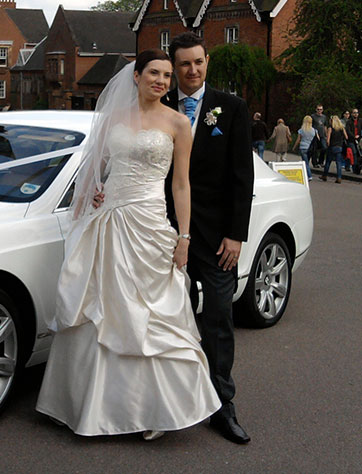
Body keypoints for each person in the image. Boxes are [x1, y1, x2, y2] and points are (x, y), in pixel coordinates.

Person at [36, 49, 221, 440]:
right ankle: (81, 403)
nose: (162, 80)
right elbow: (94, 168)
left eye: (168, 76)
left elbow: (181, 184)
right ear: (135, 77)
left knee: (150, 315)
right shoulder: (112, 119)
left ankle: (155, 409)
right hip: (108, 223)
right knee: (99, 309)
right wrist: (96, 191)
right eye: (154, 72)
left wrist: (184, 236)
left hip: (150, 225)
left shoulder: (178, 123)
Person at [162, 32, 254, 444]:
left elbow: (241, 176)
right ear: (174, 66)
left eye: (198, 62)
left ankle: (222, 404)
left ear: (207, 61)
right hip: (163, 234)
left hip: (218, 239)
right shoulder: (156, 105)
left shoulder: (231, 109)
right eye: (184, 64)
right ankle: (166, 399)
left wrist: (235, 235)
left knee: (218, 318)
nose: (192, 70)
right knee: (163, 320)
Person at [321, 115, 348, 183]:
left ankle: (325, 175)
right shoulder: (342, 128)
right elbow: (346, 137)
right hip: (339, 146)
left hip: (332, 146)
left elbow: (328, 139)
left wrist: (328, 145)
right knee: (338, 163)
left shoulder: (330, 128)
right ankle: (339, 177)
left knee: (328, 162)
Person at [293, 115, 317, 181]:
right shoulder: (314, 131)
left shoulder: (301, 130)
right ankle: (306, 174)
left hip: (303, 147)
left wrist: (294, 147)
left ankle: (309, 175)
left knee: (305, 162)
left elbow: (298, 140)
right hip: (310, 148)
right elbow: (317, 139)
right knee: (307, 162)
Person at [345, 109, 361, 174]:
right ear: (352, 114)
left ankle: (357, 167)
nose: (355, 114)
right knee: (353, 152)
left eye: (357, 113)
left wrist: (359, 135)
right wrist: (354, 136)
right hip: (351, 140)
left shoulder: (360, 121)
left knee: (359, 153)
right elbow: (348, 131)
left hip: (359, 139)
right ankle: (354, 167)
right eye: (354, 113)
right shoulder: (349, 122)